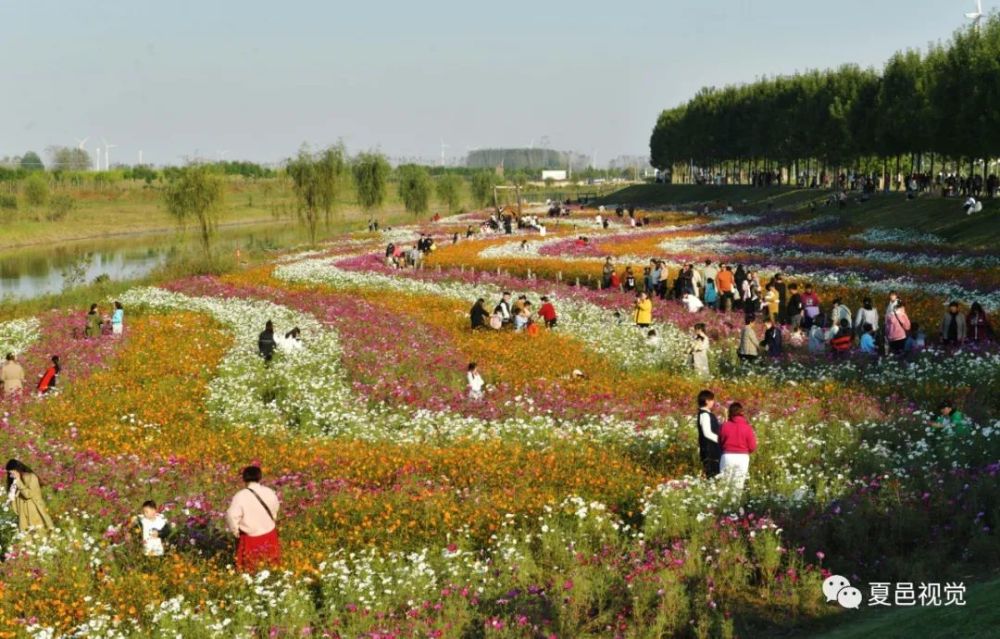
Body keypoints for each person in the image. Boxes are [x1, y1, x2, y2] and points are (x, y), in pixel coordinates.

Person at [225, 466, 281, 572]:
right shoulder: (269, 491)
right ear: (259, 477)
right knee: (272, 565)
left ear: (244, 478)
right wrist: (272, 518)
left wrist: (235, 530)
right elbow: (275, 507)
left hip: (250, 538)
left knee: (250, 569)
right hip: (270, 533)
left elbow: (231, 515)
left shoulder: (240, 496)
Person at [5, 459, 54, 532]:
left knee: (40, 536)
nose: (11, 475)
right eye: (10, 473)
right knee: (25, 539)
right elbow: (14, 502)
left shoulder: (31, 477)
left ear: (17, 469)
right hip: (22, 515)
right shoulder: (15, 481)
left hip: (34, 512)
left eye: (12, 472)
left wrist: (18, 481)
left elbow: (28, 495)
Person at [718, 403, 757, 492]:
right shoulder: (747, 427)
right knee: (738, 486)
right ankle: (735, 505)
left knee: (725, 484)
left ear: (730, 413)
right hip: (742, 457)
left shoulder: (724, 426)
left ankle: (723, 504)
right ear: (742, 413)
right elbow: (752, 446)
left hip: (727, 456)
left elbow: (719, 443)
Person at [695, 390, 721, 478]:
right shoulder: (704, 415)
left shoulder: (708, 414)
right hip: (709, 450)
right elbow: (707, 433)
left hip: (713, 449)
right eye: (712, 400)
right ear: (706, 401)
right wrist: (720, 440)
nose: (713, 402)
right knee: (712, 475)